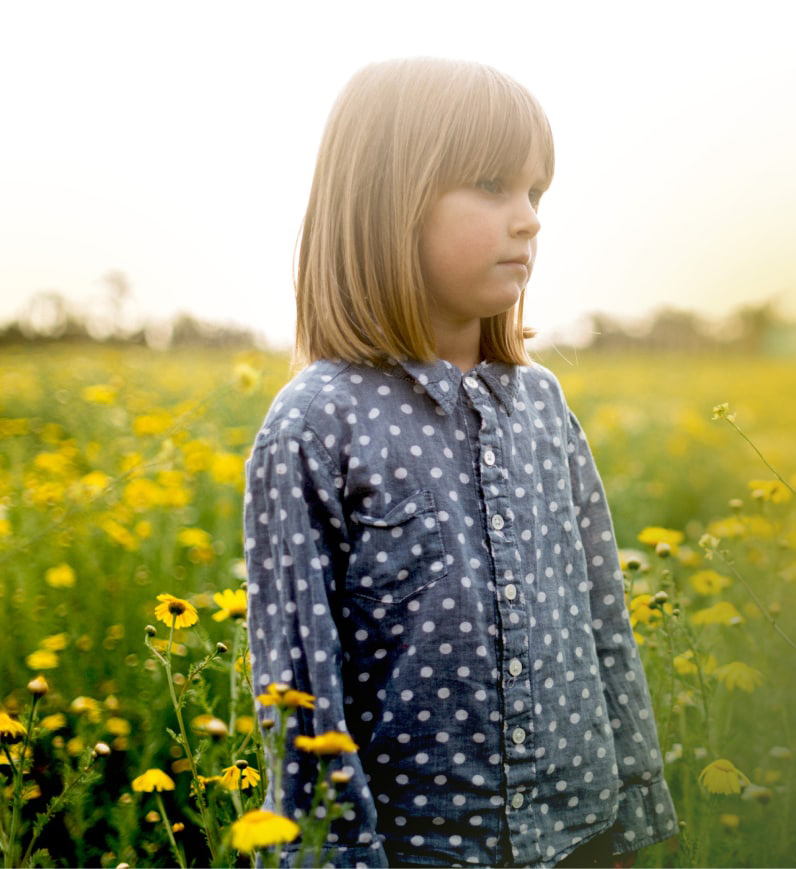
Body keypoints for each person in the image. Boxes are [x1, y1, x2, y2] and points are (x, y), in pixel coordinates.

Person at [244, 57, 677, 868]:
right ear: (384, 205)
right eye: (490, 185)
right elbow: (298, 687)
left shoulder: (543, 406)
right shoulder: (316, 423)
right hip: (422, 850)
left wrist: (633, 812)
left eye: (536, 193)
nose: (529, 220)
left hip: (580, 835)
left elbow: (603, 622)